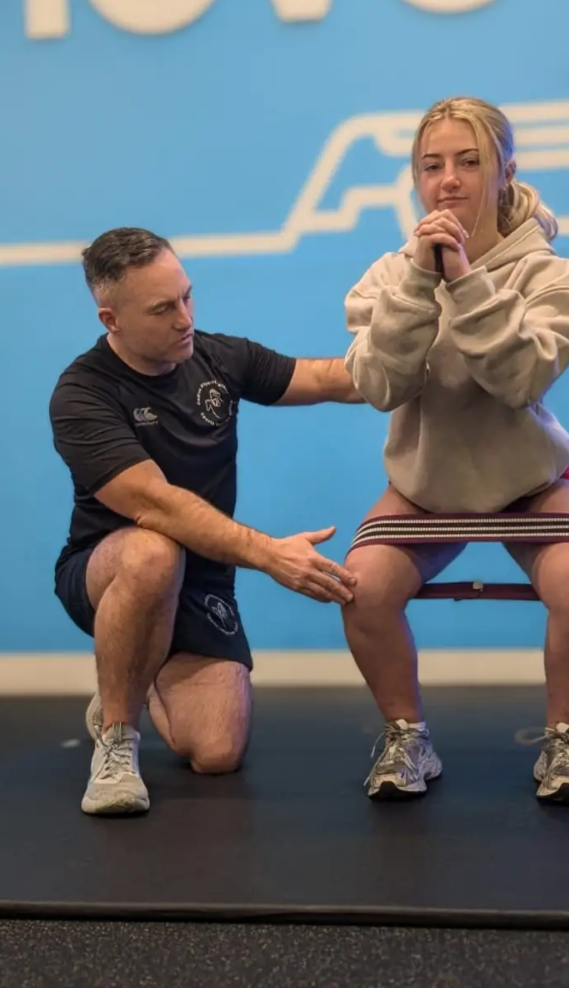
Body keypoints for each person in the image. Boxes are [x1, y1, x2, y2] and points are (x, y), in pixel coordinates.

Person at [341, 96, 569, 806]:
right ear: (416, 180)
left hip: (529, 477)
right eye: (431, 166)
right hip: (425, 483)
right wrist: (421, 282)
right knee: (363, 587)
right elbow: (377, 384)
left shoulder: (555, 277)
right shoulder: (384, 278)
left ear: (504, 173)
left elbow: (518, 380)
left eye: (469, 162)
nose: (449, 179)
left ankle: (565, 742)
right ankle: (407, 736)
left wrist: (465, 279)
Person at [49, 226, 362, 816]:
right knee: (154, 551)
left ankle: (130, 680)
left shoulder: (219, 357)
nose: (185, 317)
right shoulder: (82, 393)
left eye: (187, 296)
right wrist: (272, 554)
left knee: (216, 752)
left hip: (202, 580)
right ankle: (116, 740)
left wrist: (424, 361)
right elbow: (157, 506)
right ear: (111, 320)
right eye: (163, 308)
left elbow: (327, 377)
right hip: (106, 567)